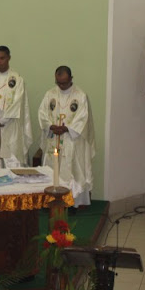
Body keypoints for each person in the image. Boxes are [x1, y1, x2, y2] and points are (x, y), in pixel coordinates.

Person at [38, 66, 95, 208]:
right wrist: (51, 126)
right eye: (58, 83)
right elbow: (42, 114)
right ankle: (51, 201)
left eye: (64, 83)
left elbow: (83, 119)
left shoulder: (80, 96)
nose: (61, 86)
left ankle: (73, 202)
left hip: (72, 141)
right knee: (52, 169)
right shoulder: (50, 94)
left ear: (71, 79)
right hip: (54, 139)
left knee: (72, 170)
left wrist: (66, 128)